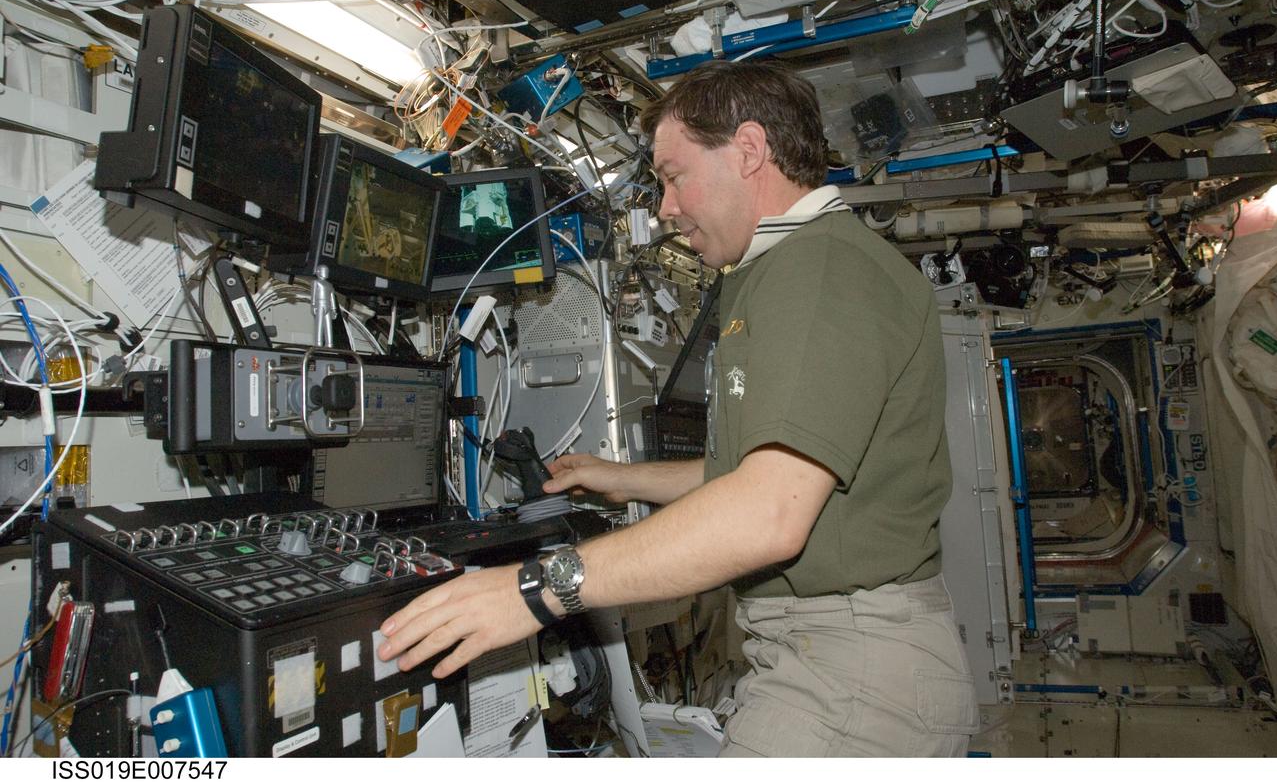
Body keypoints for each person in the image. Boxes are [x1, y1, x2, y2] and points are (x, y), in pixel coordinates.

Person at [376, 60, 979, 757]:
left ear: (749, 150)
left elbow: (768, 512)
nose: (664, 206)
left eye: (673, 175)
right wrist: (618, 477)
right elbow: (757, 471)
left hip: (851, 675)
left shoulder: (814, 270)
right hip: (838, 657)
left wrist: (536, 590)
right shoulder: (799, 265)